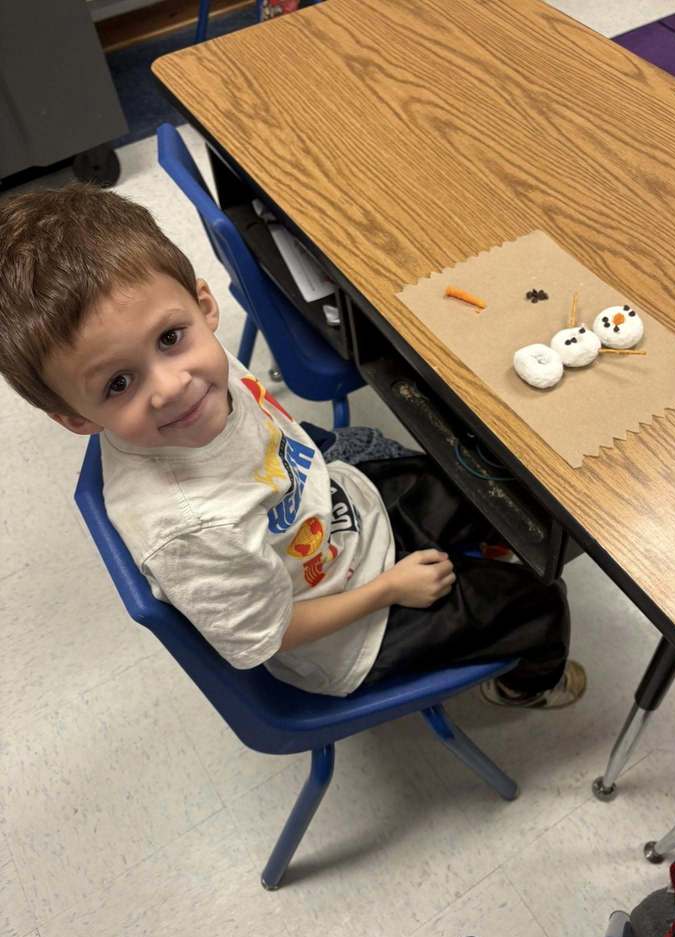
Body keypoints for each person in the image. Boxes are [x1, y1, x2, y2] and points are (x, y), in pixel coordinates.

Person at [0, 183, 584, 705]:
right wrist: (388, 588)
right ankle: (524, 686)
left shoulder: (202, 366)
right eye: (118, 384)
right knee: (541, 603)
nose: (172, 387)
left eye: (171, 338)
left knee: (486, 494)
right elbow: (269, 635)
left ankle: (472, 567)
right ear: (75, 419)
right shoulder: (190, 530)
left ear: (204, 307)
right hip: (349, 635)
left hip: (341, 516)